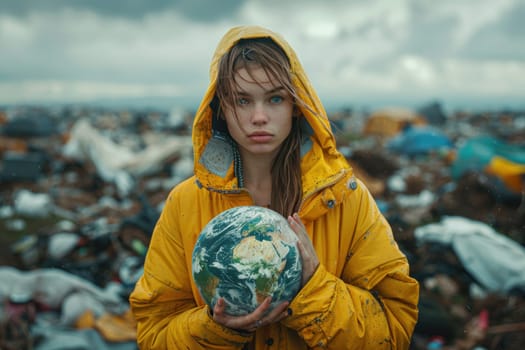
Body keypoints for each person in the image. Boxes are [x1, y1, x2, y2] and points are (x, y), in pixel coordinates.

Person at [129, 25, 419, 349]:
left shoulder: (343, 199)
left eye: (275, 98)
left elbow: (394, 330)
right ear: (220, 109)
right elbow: (154, 333)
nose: (259, 116)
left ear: (296, 105)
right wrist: (214, 328)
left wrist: (312, 288)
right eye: (241, 100)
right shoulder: (186, 203)